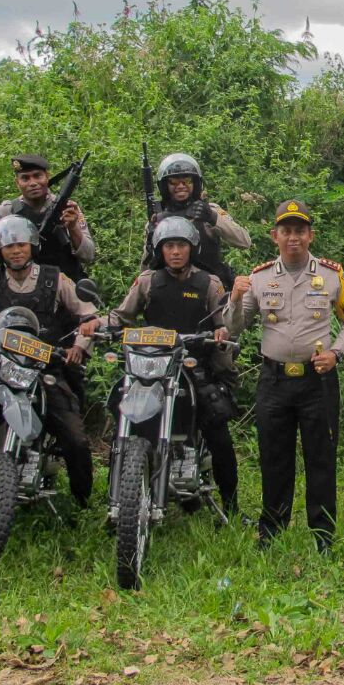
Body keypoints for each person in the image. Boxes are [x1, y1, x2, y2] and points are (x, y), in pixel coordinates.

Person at [228, 201, 344, 551]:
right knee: (274, 455)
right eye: (286, 231)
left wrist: (337, 353)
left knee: (321, 455)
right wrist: (234, 300)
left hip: (316, 380)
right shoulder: (258, 279)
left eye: (299, 231)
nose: (293, 238)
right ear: (275, 236)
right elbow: (236, 327)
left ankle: (323, 534)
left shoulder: (332, 275)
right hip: (273, 380)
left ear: (310, 235)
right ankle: (272, 529)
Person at [83, 216, 241, 517]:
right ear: (160, 249)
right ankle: (117, 501)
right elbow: (121, 317)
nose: (176, 251)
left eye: (181, 245)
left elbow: (225, 321)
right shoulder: (147, 281)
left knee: (218, 428)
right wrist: (98, 324)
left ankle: (231, 505)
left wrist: (222, 333)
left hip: (192, 367)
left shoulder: (209, 283)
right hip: (149, 366)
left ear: (192, 248)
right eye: (169, 245)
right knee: (121, 413)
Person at [0, 215, 98, 508]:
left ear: (32, 245)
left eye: (21, 244)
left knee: (76, 440)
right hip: (0, 370)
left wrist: (80, 345)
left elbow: (89, 314)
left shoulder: (55, 278)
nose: (16, 250)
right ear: (0, 250)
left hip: (45, 368)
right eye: (9, 246)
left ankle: (82, 499)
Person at [0, 153, 94, 281]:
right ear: (17, 183)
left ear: (47, 177)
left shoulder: (68, 208)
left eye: (37, 176)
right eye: (25, 178)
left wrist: (73, 227)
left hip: (67, 288)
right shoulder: (8, 210)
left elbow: (88, 255)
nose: (32, 183)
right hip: (25, 291)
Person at [142, 152, 251, 288]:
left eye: (187, 181)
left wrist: (213, 218)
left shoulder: (210, 211)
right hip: (171, 291)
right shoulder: (156, 219)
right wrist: (150, 240)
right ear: (164, 186)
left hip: (211, 292)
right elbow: (145, 270)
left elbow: (244, 242)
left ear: (196, 183)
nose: (181, 186)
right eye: (174, 182)